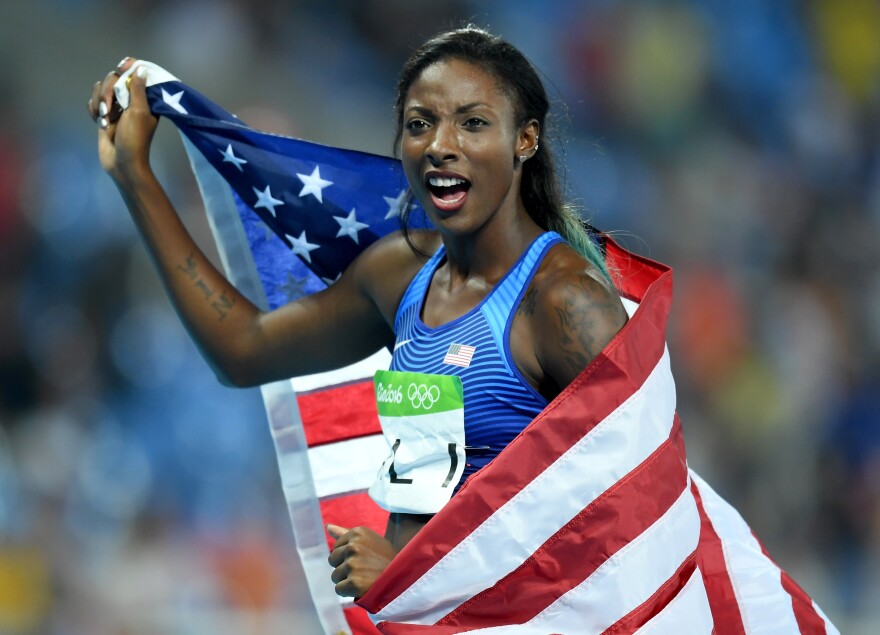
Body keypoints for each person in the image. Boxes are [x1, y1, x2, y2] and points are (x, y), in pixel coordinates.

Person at [88, 27, 626, 599]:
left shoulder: (565, 302)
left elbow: (624, 519)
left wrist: (412, 568)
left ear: (524, 140)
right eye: (421, 123)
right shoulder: (399, 277)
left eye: (472, 122)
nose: (442, 144)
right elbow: (243, 350)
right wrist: (133, 174)